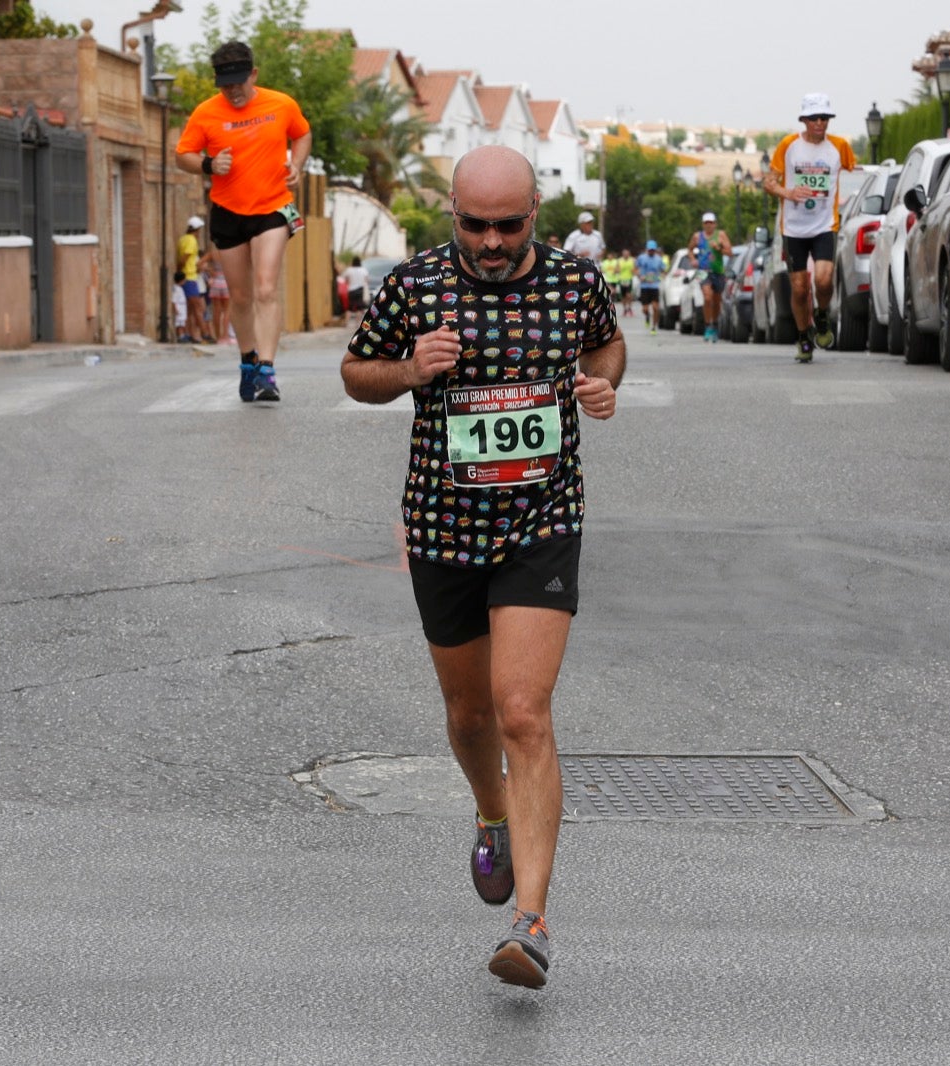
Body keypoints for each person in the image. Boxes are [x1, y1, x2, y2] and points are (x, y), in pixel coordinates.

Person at [340, 144, 625, 991]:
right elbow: (356, 372)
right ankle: (490, 810)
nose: (492, 242)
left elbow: (607, 350)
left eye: (509, 224)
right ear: (451, 215)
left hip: (543, 519)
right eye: (475, 225)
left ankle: (530, 923)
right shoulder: (415, 286)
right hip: (442, 524)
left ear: (536, 210)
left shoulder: (576, 283)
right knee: (470, 719)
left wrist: (600, 387)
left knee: (523, 711)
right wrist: (407, 370)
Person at [175, 39, 312, 402]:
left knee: (265, 288)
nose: (233, 91)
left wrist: (296, 166)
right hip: (228, 211)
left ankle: (267, 369)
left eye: (239, 82)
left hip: (272, 207)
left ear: (253, 74)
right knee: (239, 295)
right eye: (225, 84)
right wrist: (207, 164)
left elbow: (302, 134)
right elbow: (182, 154)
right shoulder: (206, 113)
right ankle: (248, 360)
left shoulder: (281, 104)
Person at [763, 91, 857, 363]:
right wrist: (787, 193)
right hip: (794, 229)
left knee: (824, 279)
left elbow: (857, 173)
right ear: (804, 120)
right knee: (800, 288)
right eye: (815, 118)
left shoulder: (840, 147)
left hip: (826, 224)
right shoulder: (788, 145)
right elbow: (768, 182)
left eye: (825, 118)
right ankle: (804, 337)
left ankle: (823, 313)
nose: (820, 123)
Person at [689, 213, 732, 342]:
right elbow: (690, 249)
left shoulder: (721, 235)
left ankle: (715, 325)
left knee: (716, 301)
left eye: (711, 222)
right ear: (703, 224)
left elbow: (730, 252)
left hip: (718, 271)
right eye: (706, 222)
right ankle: (708, 326)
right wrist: (692, 259)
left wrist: (718, 247)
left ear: (715, 224)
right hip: (702, 271)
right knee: (707, 297)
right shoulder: (697, 236)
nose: (709, 225)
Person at [177, 216, 213, 343]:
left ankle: (192, 334)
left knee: (190, 309)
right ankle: (205, 334)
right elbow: (184, 258)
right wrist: (181, 270)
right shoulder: (192, 241)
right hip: (190, 276)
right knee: (198, 307)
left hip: (187, 277)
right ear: (196, 230)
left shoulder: (183, 239)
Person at [201, 247, 232, 343]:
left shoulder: (213, 253)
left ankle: (218, 336)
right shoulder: (230, 253)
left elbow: (199, 264)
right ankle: (225, 336)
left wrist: (211, 271)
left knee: (216, 311)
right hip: (226, 283)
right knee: (227, 311)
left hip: (215, 283)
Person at [635, 239, 665, 334]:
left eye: (653, 249)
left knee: (656, 308)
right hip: (644, 286)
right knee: (645, 309)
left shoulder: (659, 259)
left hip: (655, 286)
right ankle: (647, 316)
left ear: (655, 250)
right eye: (649, 249)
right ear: (647, 249)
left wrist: (662, 276)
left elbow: (663, 271)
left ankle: (654, 327)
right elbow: (635, 269)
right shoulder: (641, 258)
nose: (651, 251)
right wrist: (640, 276)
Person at [615, 247, 636, 317]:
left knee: (629, 295)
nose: (626, 255)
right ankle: (625, 309)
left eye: (627, 254)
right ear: (622, 254)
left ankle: (629, 308)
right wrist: (618, 270)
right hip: (621, 280)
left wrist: (634, 271)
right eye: (624, 254)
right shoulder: (619, 260)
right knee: (623, 297)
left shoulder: (632, 260)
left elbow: (635, 269)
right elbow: (616, 270)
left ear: (629, 254)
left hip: (629, 279)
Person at [170, 270, 190, 343]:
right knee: (179, 323)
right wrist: (176, 309)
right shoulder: (176, 289)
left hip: (182, 307)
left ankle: (183, 334)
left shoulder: (180, 288)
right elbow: (174, 300)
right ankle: (180, 336)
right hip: (179, 308)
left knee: (182, 322)